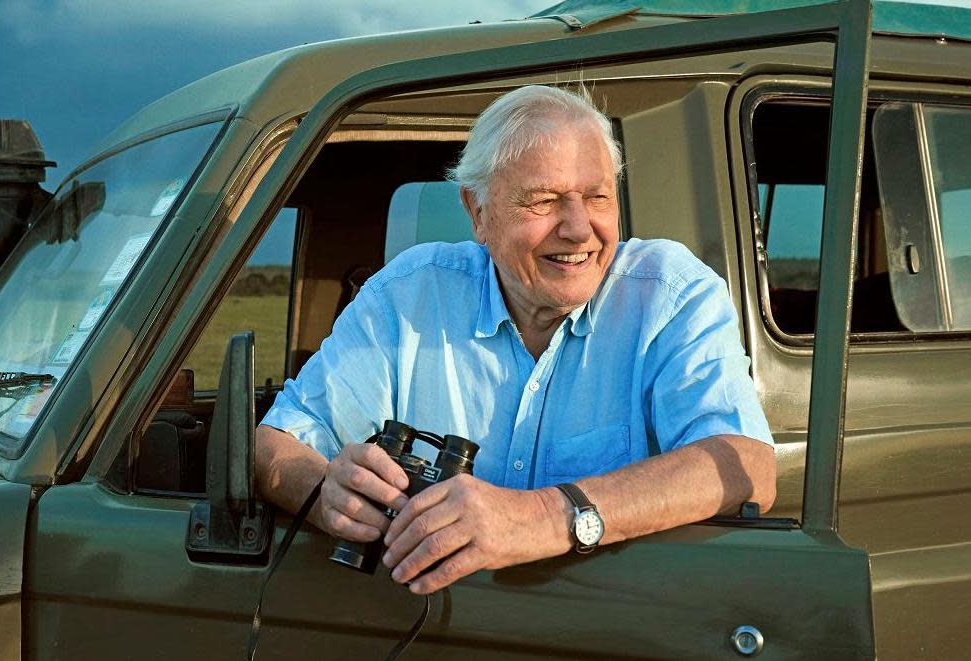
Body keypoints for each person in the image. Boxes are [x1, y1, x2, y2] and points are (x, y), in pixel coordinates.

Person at [255, 84, 776, 595]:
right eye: (544, 201)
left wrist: (544, 517)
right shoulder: (410, 295)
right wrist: (327, 495)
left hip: (612, 631)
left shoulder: (670, 294)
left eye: (597, 197)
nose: (578, 228)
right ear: (478, 213)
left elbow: (745, 464)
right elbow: (273, 443)